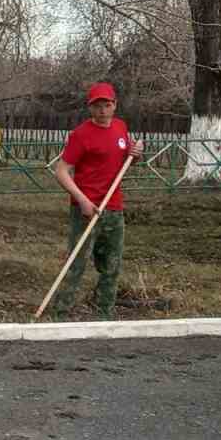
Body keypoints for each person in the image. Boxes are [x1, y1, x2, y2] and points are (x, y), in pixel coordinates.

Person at [46, 81, 145, 321]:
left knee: (111, 265)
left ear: (115, 105)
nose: (102, 110)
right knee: (76, 263)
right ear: (90, 108)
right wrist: (82, 200)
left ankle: (105, 313)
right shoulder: (80, 135)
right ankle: (60, 313)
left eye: (107, 105)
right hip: (86, 209)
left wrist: (136, 155)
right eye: (97, 105)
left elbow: (125, 161)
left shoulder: (121, 128)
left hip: (113, 208)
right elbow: (61, 170)